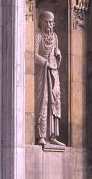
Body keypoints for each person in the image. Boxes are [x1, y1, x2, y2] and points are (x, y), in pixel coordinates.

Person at [35, 11, 64, 146]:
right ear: (41, 22)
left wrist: (58, 56)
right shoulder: (38, 36)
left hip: (54, 73)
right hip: (42, 72)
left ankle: (52, 135)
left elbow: (56, 54)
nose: (49, 25)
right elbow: (33, 55)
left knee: (55, 101)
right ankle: (41, 135)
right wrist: (44, 62)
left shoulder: (55, 37)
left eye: (51, 22)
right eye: (47, 21)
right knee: (43, 102)